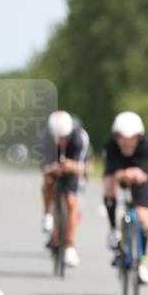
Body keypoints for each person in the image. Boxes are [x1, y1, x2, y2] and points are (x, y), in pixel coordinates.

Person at [102, 111, 148, 284]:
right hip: (118, 173)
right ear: (116, 137)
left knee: (144, 220)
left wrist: (134, 174)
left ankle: (142, 262)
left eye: (131, 140)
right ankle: (113, 230)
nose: (127, 144)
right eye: (122, 140)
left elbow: (143, 174)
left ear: (138, 137)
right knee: (109, 186)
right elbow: (113, 173)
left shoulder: (146, 145)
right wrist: (123, 174)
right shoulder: (110, 146)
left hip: (140, 178)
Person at [40, 111, 87, 267]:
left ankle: (70, 247)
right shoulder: (46, 138)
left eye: (64, 138)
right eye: (58, 138)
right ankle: (47, 214)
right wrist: (53, 168)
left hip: (72, 168)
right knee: (47, 182)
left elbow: (84, 168)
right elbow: (43, 166)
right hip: (53, 166)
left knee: (72, 202)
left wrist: (72, 166)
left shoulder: (80, 138)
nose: (61, 141)